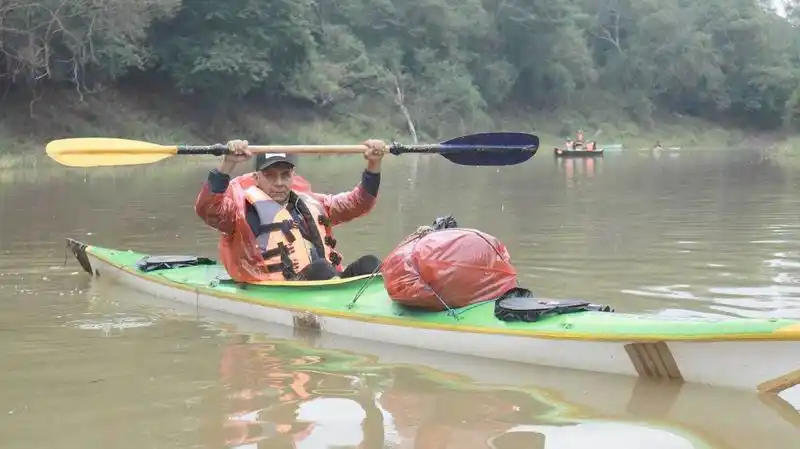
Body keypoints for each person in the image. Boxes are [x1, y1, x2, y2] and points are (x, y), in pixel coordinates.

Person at [195, 138, 386, 283]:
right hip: (281, 287)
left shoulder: (314, 203)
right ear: (256, 177)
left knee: (371, 263)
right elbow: (208, 209)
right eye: (270, 176)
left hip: (327, 281)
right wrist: (228, 164)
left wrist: (374, 164)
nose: (278, 183)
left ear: (292, 176)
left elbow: (360, 202)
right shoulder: (241, 210)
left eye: (285, 175)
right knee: (321, 268)